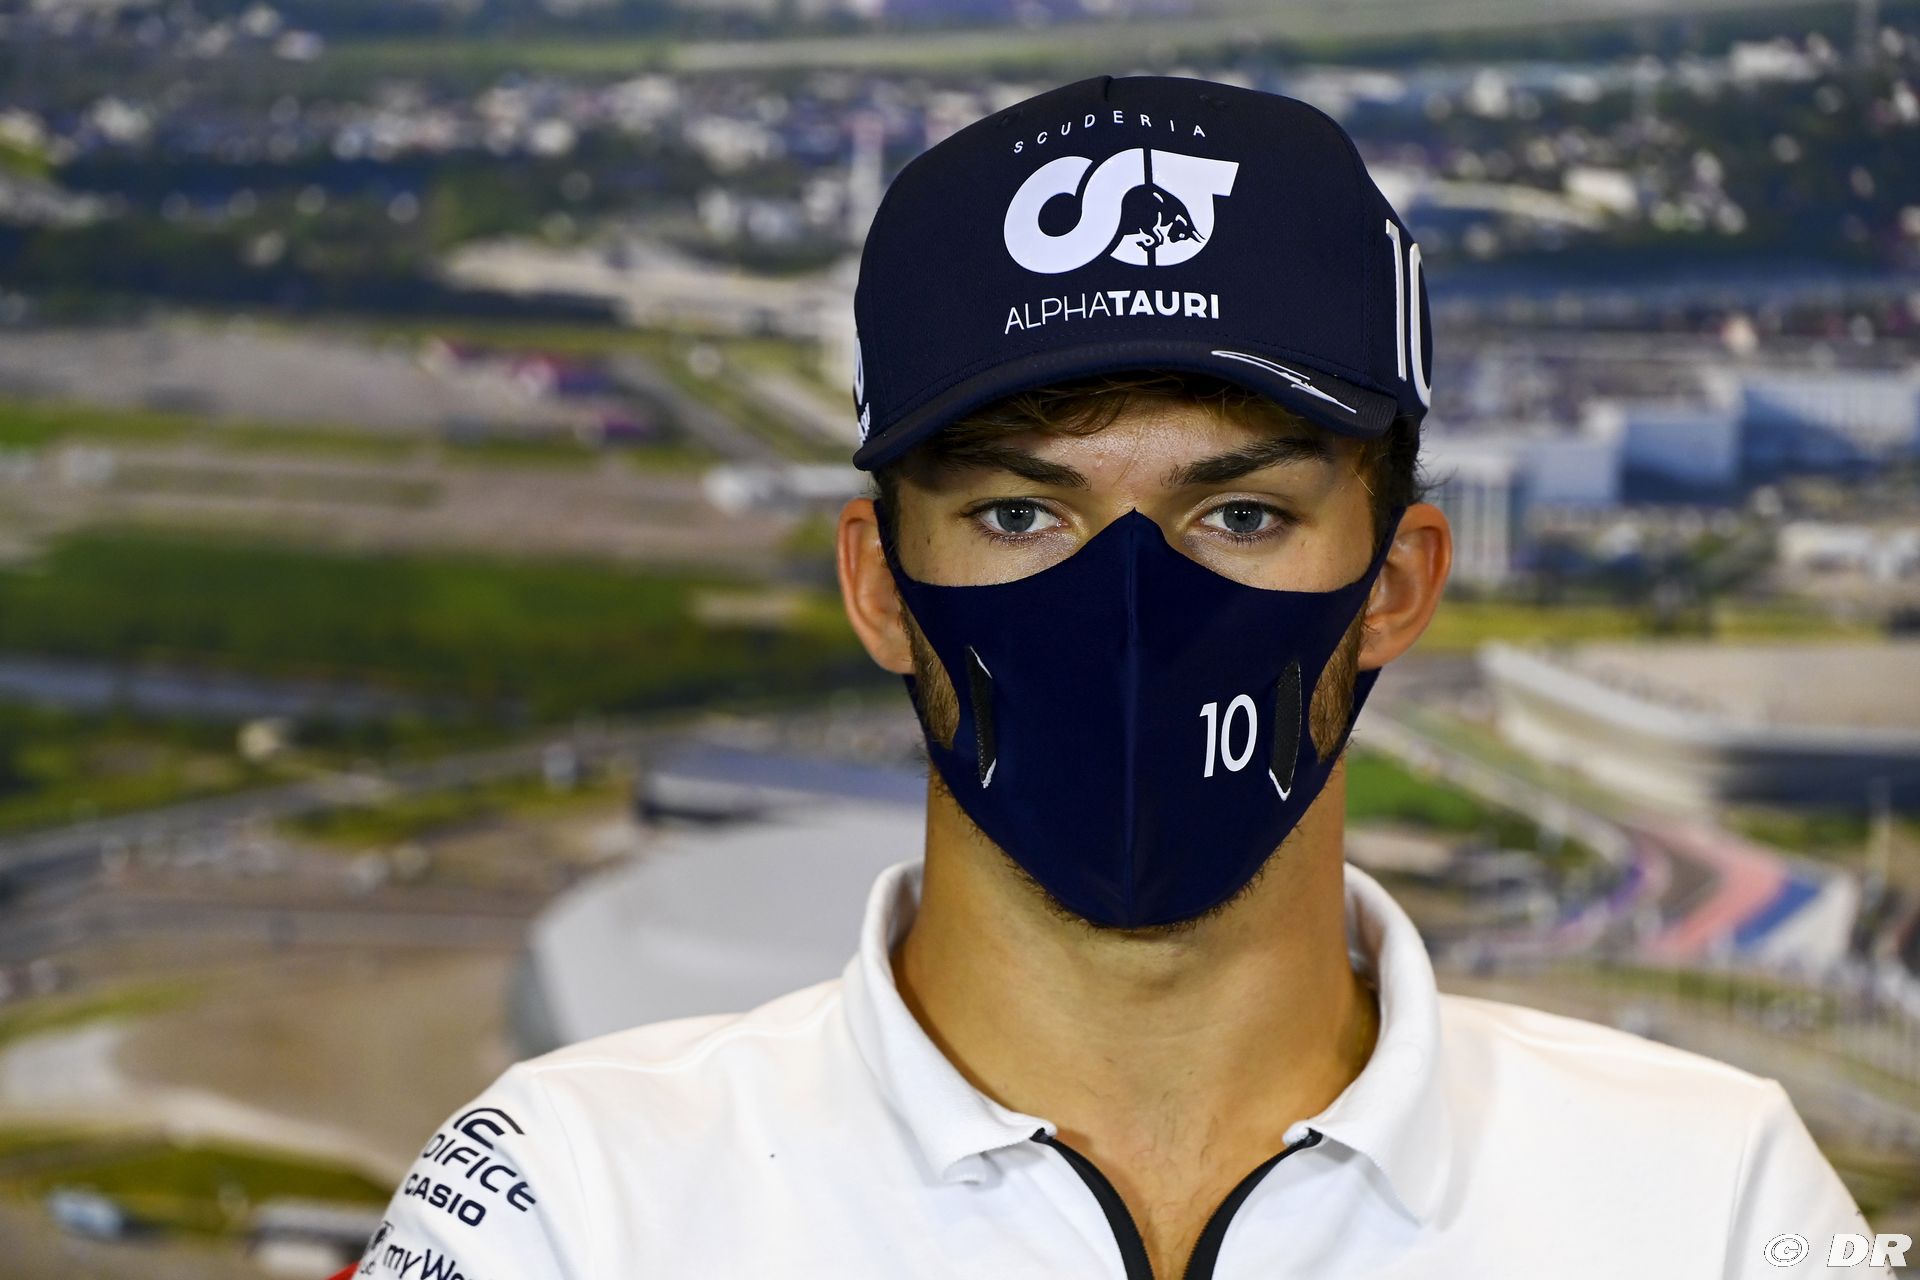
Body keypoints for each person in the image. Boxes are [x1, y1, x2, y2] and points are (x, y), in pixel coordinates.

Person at [337, 74, 1891, 1280]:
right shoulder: (575, 1201)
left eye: (1240, 514)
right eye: (1021, 514)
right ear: (876, 585)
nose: (1132, 606)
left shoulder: (1709, 1201)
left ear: (1397, 584)